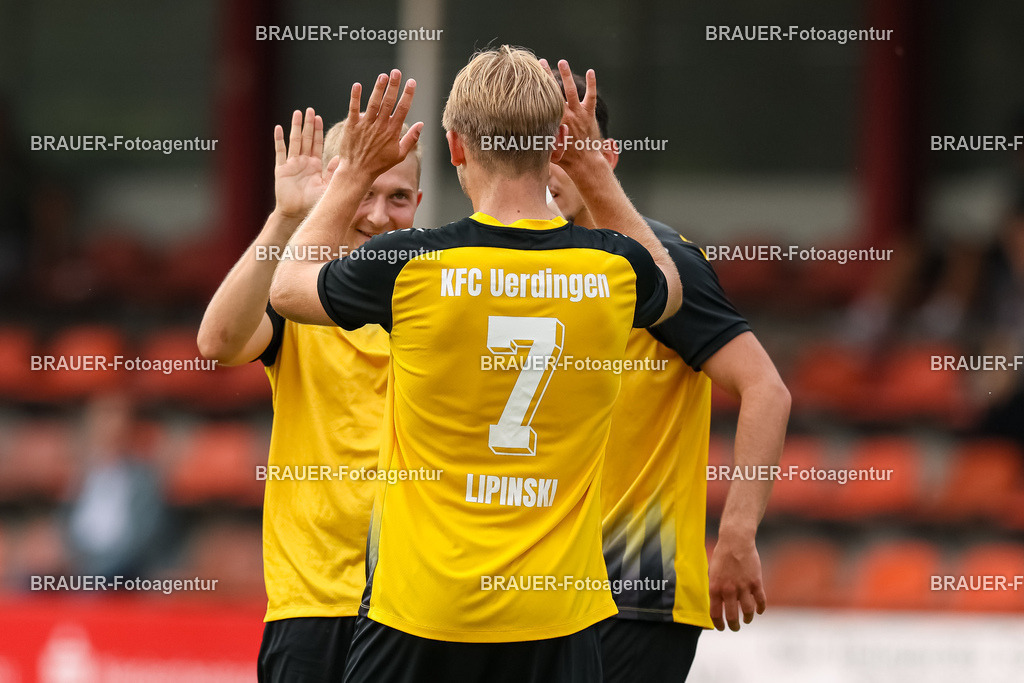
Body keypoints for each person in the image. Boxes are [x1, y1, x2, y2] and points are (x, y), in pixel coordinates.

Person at [269, 49, 681, 682]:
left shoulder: (413, 265)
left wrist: (352, 174)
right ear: (555, 144)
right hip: (557, 612)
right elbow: (670, 289)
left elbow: (289, 285)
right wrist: (594, 175)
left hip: (422, 610)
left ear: (455, 147)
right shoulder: (613, 269)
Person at [543, 67, 790, 682]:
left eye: (573, 145)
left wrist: (736, 532)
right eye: (542, 147)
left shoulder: (659, 262)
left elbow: (766, 390)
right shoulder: (514, 263)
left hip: (633, 593)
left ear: (609, 156)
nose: (557, 163)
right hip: (535, 587)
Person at [197, 108, 422, 682]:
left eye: (398, 197)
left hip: (418, 607)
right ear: (332, 191)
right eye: (362, 193)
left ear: (419, 204)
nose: (377, 215)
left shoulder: (439, 298)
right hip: (315, 605)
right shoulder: (295, 301)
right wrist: (285, 218)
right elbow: (218, 344)